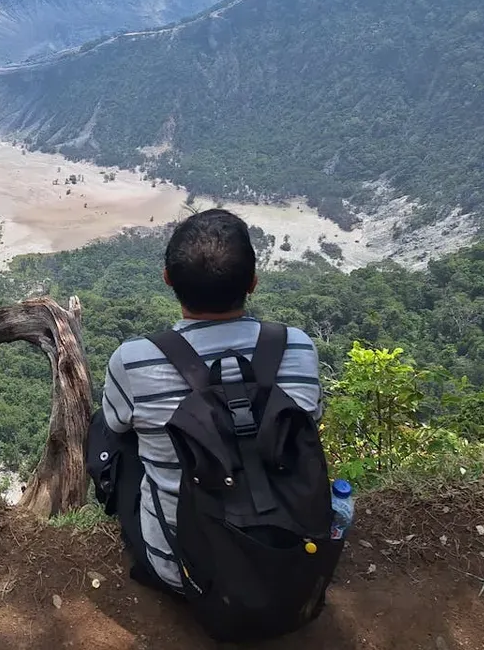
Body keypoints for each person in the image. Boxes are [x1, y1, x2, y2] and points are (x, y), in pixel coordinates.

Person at [96, 208, 323, 593]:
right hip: (292, 560)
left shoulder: (133, 360)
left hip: (184, 571)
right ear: (252, 282)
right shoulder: (297, 346)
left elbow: (118, 428)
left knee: (105, 427)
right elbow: (310, 422)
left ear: (167, 279)